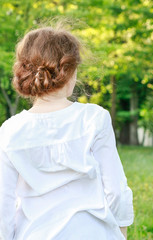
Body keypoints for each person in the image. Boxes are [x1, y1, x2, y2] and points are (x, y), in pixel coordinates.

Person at [0, 23, 134, 240]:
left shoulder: (10, 131)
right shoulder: (94, 118)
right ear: (69, 71)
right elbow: (116, 190)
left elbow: (3, 205)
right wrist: (121, 232)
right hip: (93, 233)